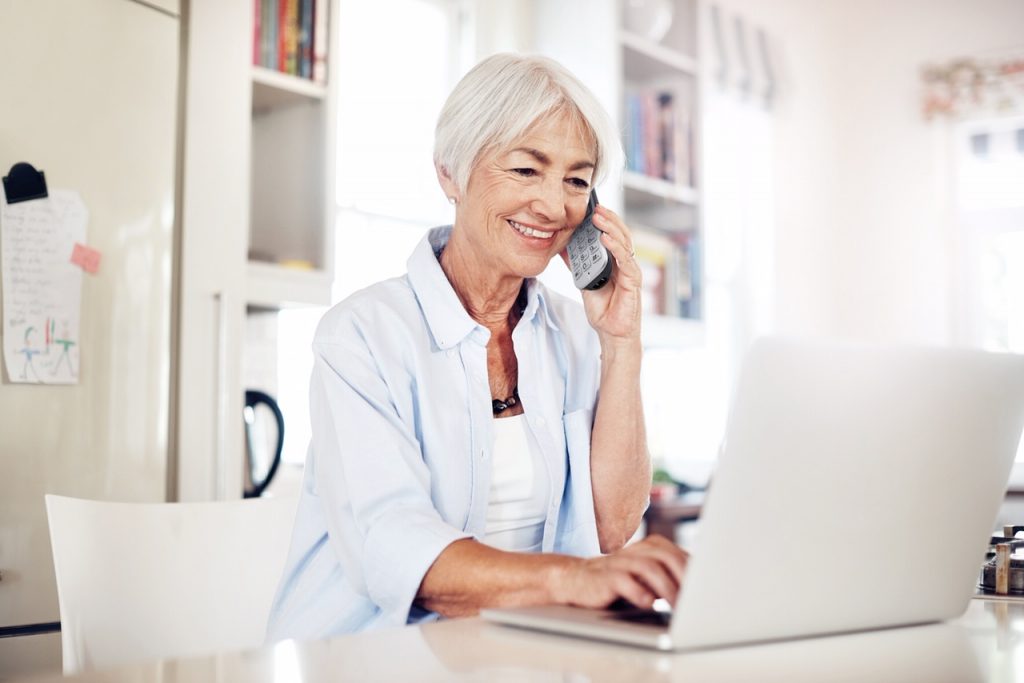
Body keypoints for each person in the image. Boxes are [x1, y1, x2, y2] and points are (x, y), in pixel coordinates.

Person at [266, 53, 688, 641]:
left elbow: (612, 528)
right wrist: (571, 581)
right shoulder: (361, 335)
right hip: (365, 660)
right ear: (450, 173)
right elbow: (394, 547)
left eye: (577, 180)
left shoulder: (574, 334)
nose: (553, 205)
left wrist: (621, 344)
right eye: (525, 170)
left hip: (515, 656)